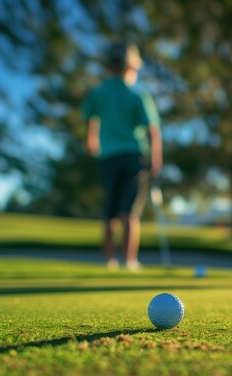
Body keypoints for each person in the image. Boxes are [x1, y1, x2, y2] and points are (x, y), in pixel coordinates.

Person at [83, 42, 162, 271]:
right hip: (134, 155)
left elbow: (92, 118)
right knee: (130, 212)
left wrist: (91, 139)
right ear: (132, 67)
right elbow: (153, 130)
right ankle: (129, 261)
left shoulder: (99, 92)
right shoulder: (137, 94)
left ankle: (109, 261)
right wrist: (156, 158)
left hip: (108, 155)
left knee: (110, 211)